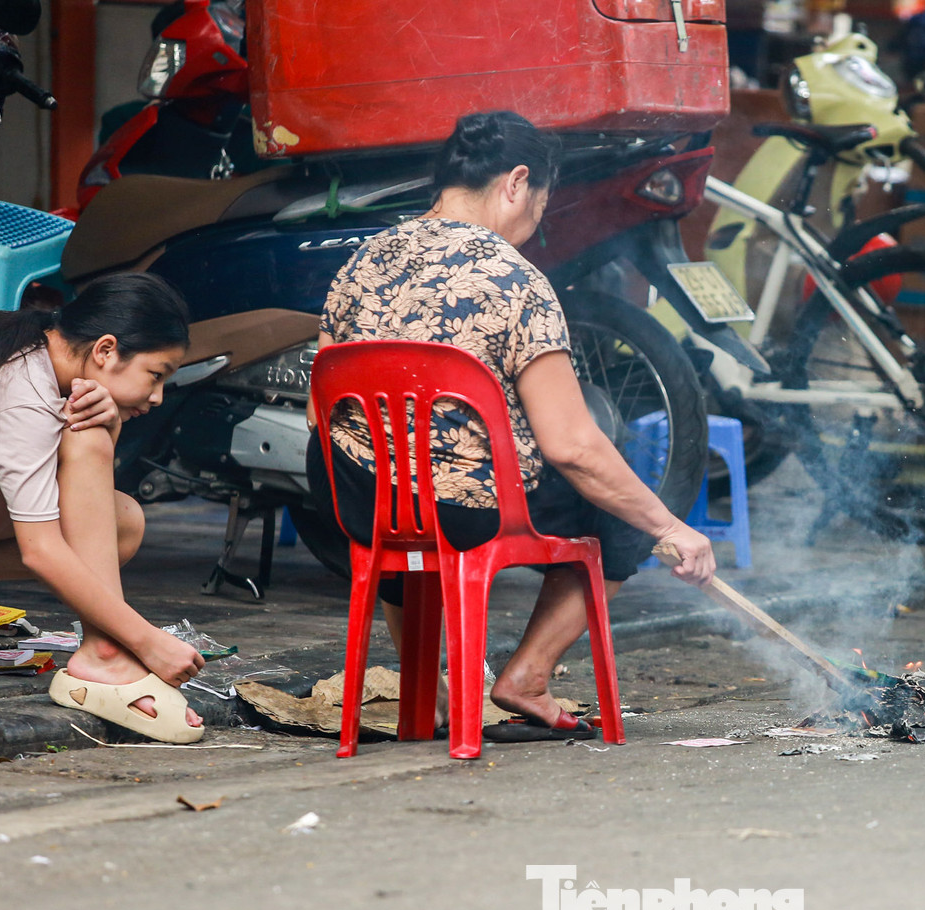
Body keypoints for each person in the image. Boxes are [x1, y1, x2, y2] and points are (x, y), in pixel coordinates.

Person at [306, 111, 716, 742]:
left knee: (397, 497)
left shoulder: (365, 260)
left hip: (358, 499)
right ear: (518, 182)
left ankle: (428, 690)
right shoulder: (516, 283)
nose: (537, 223)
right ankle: (527, 676)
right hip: (467, 511)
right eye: (543, 204)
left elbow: (320, 407)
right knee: (617, 515)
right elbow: (573, 447)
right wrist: (667, 525)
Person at [0, 273, 205, 742]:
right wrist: (147, 640)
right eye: (156, 375)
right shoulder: (25, 390)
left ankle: (103, 653)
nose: (158, 397)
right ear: (105, 349)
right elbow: (40, 550)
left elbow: (86, 496)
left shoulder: (45, 357)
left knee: (124, 523)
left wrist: (111, 427)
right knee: (80, 441)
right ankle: (104, 655)